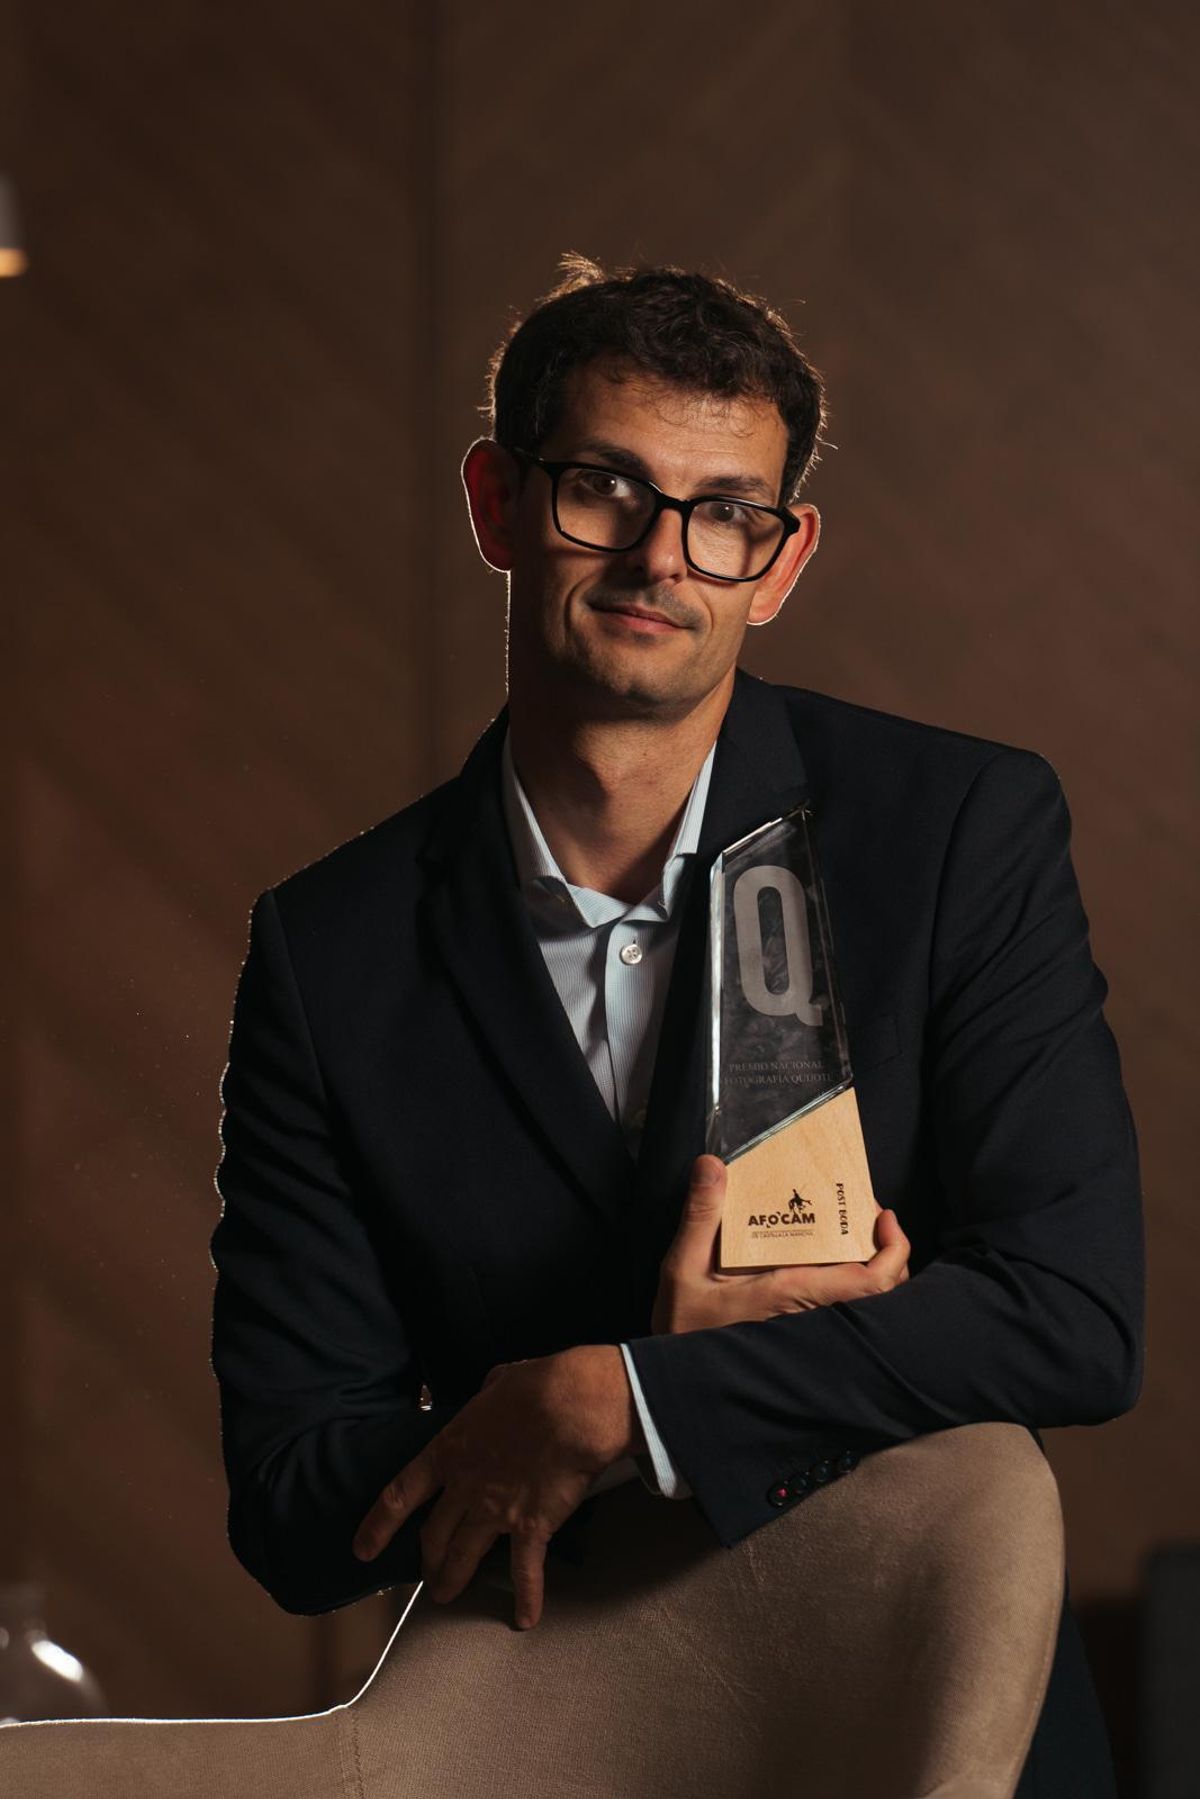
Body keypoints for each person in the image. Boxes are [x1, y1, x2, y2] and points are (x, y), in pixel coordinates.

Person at [209, 255, 1143, 1794]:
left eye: (728, 516)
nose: (664, 559)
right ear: (496, 503)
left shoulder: (959, 828)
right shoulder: (329, 946)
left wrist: (611, 1402)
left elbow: (1077, 1316)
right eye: (605, 492)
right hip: (556, 1754)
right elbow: (296, 1504)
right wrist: (633, 1372)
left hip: (944, 1740)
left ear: (781, 562)